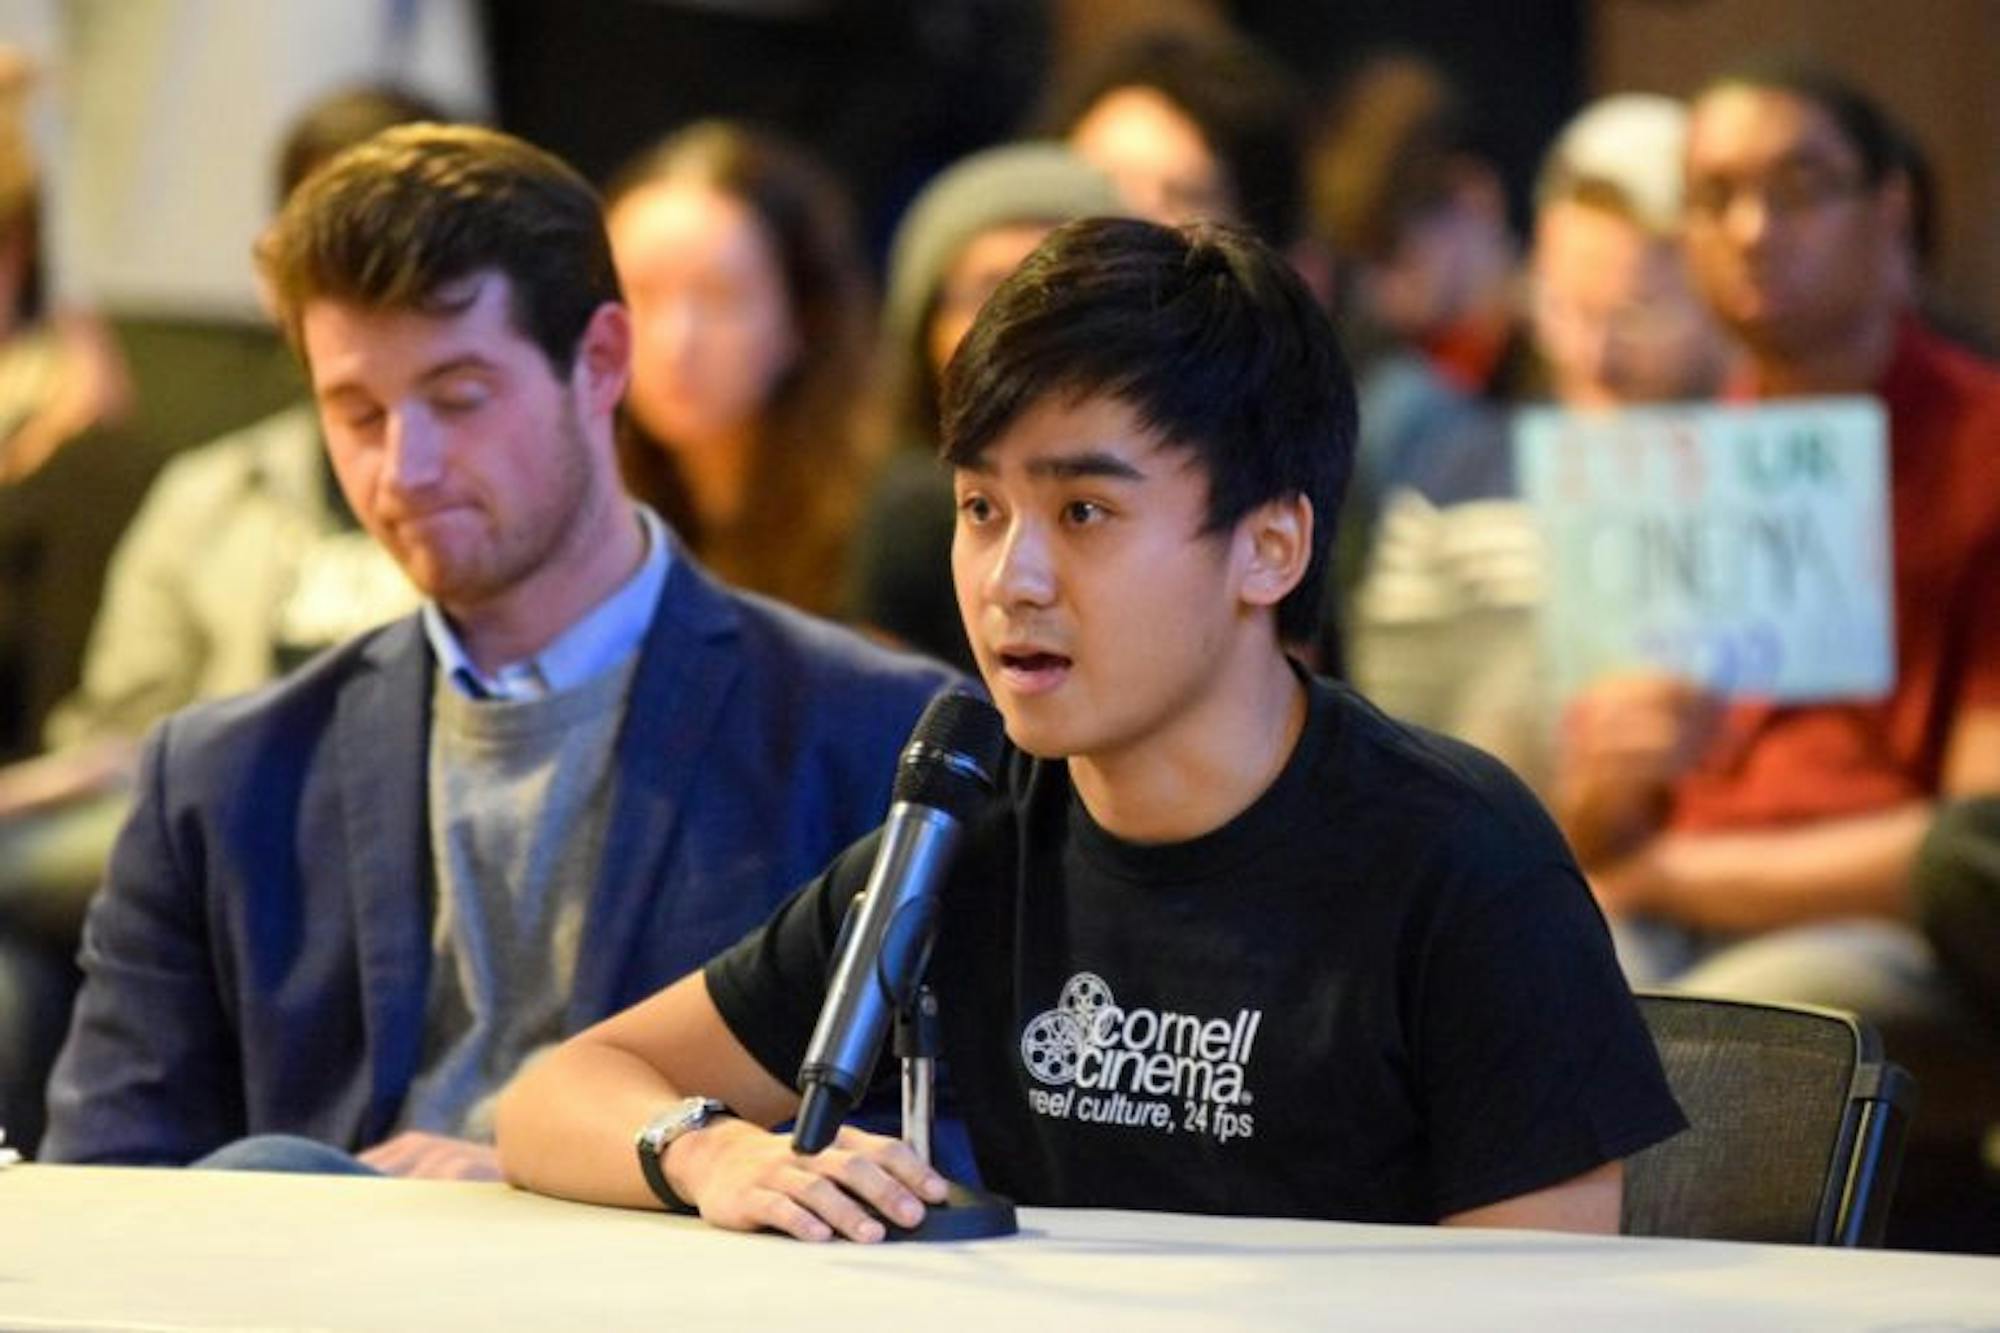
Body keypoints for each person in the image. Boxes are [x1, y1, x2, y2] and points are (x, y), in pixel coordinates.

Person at [495, 217, 1683, 1241]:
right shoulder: (969, 834)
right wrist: (713, 1152)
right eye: (980, 506)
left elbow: (1543, 1298)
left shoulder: (1462, 862)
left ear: (1269, 546)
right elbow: (560, 1092)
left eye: (1082, 511)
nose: (1010, 578)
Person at [38, 124, 958, 1174]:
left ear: (600, 361)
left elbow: (931, 1148)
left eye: (457, 398)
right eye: (357, 412)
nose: (405, 467)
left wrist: (549, 1173)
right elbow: (108, 1180)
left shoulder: (867, 734)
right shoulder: (223, 776)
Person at [1559, 63, 2000, 1063]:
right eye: (1713, 197)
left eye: (1798, 188)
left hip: (1875, 927)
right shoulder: (1668, 470)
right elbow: (1595, 832)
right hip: (1667, 906)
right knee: (1512, 997)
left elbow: (1972, 856)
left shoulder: (1979, 451)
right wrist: (1610, 782)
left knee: (1691, 1051)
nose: (1752, 230)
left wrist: (1667, 874)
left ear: (1890, 210)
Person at [1348, 94, 1732, 795]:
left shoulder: (1771, 482)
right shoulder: (1456, 474)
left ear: (1720, 301)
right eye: (1564, 308)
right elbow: (1392, 739)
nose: (1593, 355)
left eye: (1638, 314)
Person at [845, 141, 1124, 672]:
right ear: (926, 327)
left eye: (1062, 293)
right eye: (990, 292)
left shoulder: (1183, 495)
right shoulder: (909, 512)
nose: (1025, 328)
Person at [603, 121, 873, 619]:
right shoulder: (587, 520)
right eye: (639, 294)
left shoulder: (883, 528)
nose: (675, 343)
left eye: (719, 297)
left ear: (803, 317)